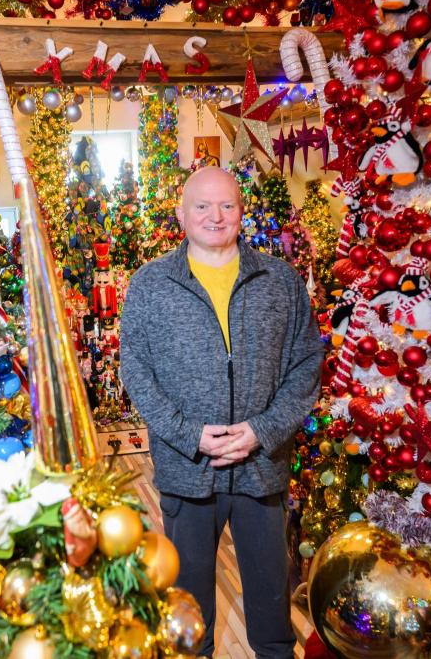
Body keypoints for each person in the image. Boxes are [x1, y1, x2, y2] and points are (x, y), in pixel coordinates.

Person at [120, 167, 323, 658]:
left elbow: (306, 365)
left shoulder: (280, 280)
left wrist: (261, 430)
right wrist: (189, 435)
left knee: (273, 616)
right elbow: (136, 371)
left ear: (241, 210)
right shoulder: (150, 285)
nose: (215, 216)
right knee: (189, 617)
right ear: (181, 214)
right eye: (203, 206)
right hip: (188, 474)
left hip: (262, 471)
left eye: (227, 205)